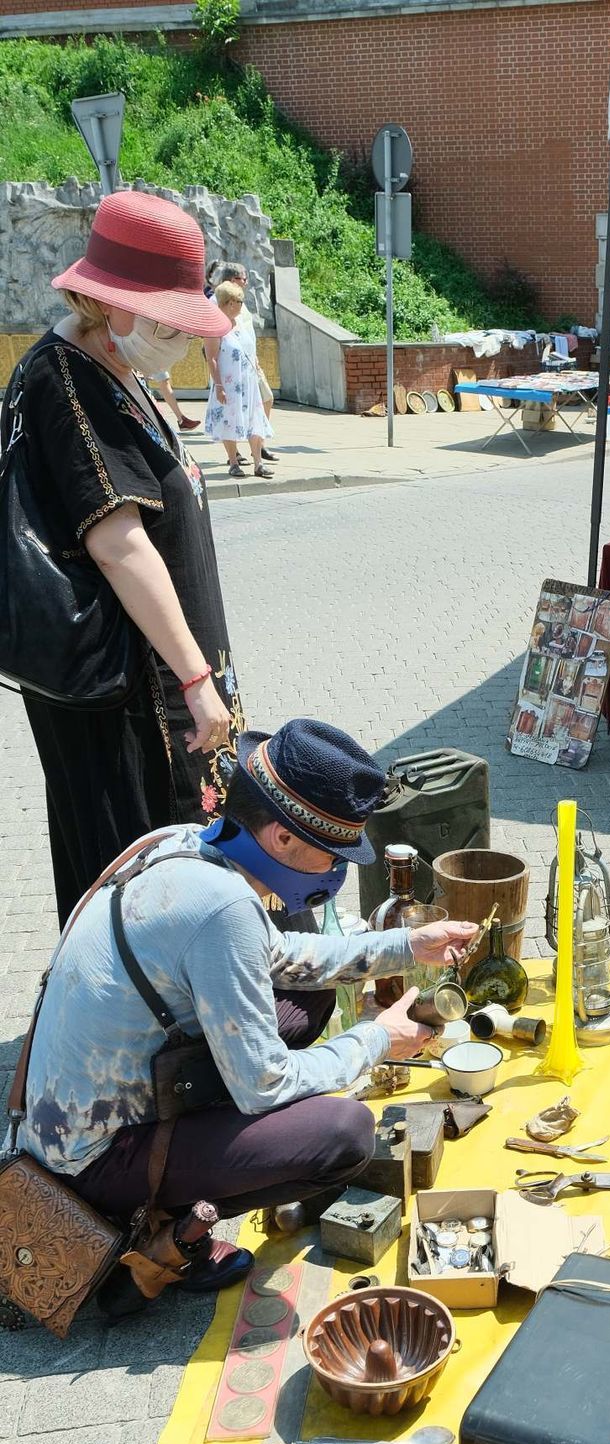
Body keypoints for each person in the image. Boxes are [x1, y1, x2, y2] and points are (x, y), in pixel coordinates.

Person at [17, 719, 479, 1295]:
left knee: (307, 992)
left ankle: (201, 1166)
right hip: (90, 1161)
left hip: (80, 1109)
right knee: (345, 1134)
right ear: (283, 838)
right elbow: (265, 1085)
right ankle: (164, 1233)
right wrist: (376, 1038)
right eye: (334, 855)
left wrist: (406, 947)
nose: (339, 872)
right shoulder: (223, 908)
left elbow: (280, 954)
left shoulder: (183, 842)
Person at [2, 190, 242, 927]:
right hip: (125, 689)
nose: (180, 337)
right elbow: (118, 541)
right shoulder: (65, 379)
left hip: (153, 675)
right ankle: (129, 1033)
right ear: (115, 303)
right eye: (172, 321)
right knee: (134, 870)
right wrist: (197, 679)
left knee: (165, 867)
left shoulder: (112, 367)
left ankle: (156, 1019)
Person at [204, 281, 273, 479]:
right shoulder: (215, 328)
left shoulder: (240, 323)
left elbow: (249, 349)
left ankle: (258, 463)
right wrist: (218, 385)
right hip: (228, 384)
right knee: (229, 420)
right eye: (239, 301)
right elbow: (212, 359)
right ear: (229, 303)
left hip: (248, 383)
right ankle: (233, 462)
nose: (242, 305)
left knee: (255, 420)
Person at [216, 261, 278, 460]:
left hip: (251, 365)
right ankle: (234, 454)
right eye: (243, 279)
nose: (246, 282)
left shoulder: (241, 303)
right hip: (231, 369)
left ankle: (257, 445)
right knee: (233, 412)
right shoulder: (219, 303)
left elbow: (247, 335)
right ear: (233, 280)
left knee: (265, 400)